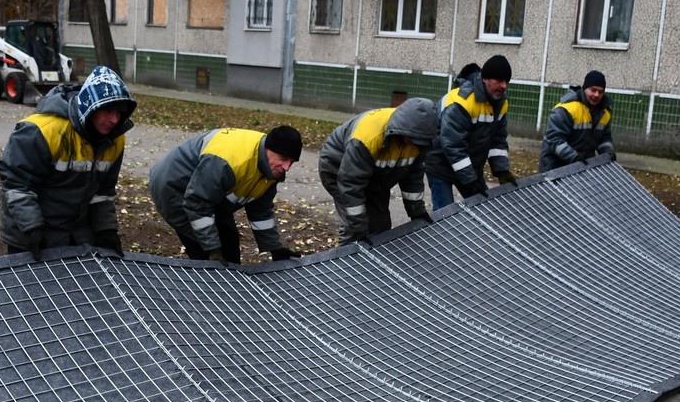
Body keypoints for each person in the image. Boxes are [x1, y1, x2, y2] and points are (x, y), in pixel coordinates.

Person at [0, 65, 137, 259]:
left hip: (76, 234)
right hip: (32, 232)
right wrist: (32, 228)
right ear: (90, 107)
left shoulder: (114, 140)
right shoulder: (42, 131)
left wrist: (106, 229)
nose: (114, 119)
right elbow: (17, 185)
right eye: (108, 111)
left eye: (119, 113)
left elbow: (103, 192)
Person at [148, 126, 304, 264]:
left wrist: (274, 248)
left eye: (291, 162)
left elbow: (261, 211)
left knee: (229, 246)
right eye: (283, 159)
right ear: (267, 150)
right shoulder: (229, 161)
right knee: (205, 252)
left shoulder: (271, 169)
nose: (287, 168)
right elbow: (197, 204)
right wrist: (212, 249)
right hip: (174, 186)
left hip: (209, 191)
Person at [318, 97, 439, 245]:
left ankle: (373, 264)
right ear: (404, 129)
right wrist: (359, 228)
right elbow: (351, 185)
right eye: (412, 139)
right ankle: (347, 260)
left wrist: (417, 212)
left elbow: (413, 178)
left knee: (381, 227)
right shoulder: (368, 138)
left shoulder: (418, 141)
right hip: (338, 168)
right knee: (354, 229)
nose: (414, 144)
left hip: (377, 175)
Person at [423, 55, 516, 211]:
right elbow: (453, 145)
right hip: (440, 166)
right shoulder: (462, 102)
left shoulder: (501, 103)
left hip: (469, 166)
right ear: (485, 79)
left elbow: (498, 140)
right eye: (499, 81)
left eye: (506, 81)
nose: (504, 86)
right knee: (445, 215)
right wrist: (471, 181)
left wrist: (501, 170)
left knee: (484, 209)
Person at [539, 70, 615, 173]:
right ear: (584, 89)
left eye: (601, 92)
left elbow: (604, 139)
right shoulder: (567, 109)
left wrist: (608, 153)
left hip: (582, 166)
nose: (597, 95)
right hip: (555, 167)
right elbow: (554, 139)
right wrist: (574, 158)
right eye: (593, 90)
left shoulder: (604, 113)